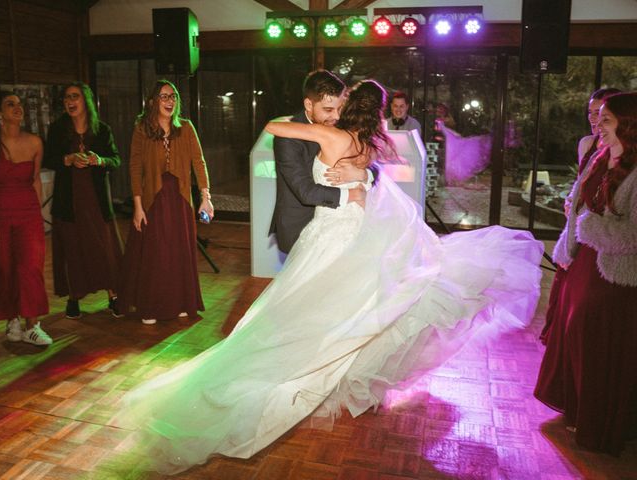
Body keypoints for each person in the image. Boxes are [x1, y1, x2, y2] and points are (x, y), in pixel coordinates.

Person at [114, 79, 543, 475]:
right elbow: (363, 176)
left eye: (339, 104)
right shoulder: (371, 145)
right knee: (352, 310)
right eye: (328, 105)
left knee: (313, 311)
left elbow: (273, 127)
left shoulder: (329, 135)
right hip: (353, 233)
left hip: (330, 236)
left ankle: (296, 367)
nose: (334, 111)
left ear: (346, 107)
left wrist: (338, 154)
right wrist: (358, 177)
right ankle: (323, 365)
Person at [535, 92, 637, 454]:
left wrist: (589, 228)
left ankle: (600, 421)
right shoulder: (599, 156)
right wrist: (571, 238)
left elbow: (632, 236)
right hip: (583, 262)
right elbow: (580, 206)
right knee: (572, 331)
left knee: (597, 342)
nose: (599, 127)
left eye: (606, 121)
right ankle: (577, 407)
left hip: (613, 272)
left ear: (626, 125)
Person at [117, 80, 213, 325]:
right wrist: (137, 206)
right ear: (152, 102)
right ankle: (151, 306)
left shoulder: (187, 128)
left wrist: (205, 198)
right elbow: (135, 167)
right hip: (153, 199)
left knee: (179, 251)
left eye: (173, 96)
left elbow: (198, 163)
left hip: (180, 198)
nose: (170, 101)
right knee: (156, 253)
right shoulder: (141, 129)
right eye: (163, 96)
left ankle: (181, 302)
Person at [540, 87, 621, 343]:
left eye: (601, 114)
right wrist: (570, 201)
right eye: (591, 112)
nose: (594, 119)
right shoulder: (586, 144)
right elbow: (582, 183)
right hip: (578, 224)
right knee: (566, 283)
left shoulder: (623, 152)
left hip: (600, 231)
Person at [44, 82, 123, 319]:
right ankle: (74, 298)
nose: (70, 101)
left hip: (96, 202)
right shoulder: (58, 129)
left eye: (75, 96)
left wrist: (99, 160)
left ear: (86, 100)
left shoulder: (102, 130)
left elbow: (116, 160)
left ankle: (114, 295)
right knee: (73, 250)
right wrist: (67, 159)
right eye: (67, 97)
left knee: (104, 248)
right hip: (69, 202)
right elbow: (48, 159)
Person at [269, 69, 371, 254]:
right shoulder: (287, 137)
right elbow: (306, 192)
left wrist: (362, 173)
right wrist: (353, 195)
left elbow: (371, 161)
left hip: (339, 226)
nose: (337, 116)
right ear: (309, 104)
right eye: (328, 110)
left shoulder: (340, 126)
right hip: (300, 228)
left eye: (340, 108)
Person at [0, 91, 52, 346]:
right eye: (11, 104)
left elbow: (35, 180)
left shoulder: (34, 142)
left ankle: (32, 324)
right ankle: (12, 320)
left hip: (28, 212)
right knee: (5, 268)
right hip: (0, 213)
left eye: (19, 104)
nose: (18, 108)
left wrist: (39, 214)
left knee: (30, 267)